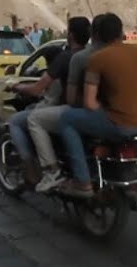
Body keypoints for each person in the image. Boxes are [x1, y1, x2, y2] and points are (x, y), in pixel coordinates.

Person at [56, 13, 137, 198]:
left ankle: (82, 182)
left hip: (122, 125)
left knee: (67, 119)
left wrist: (104, 113)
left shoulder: (96, 59)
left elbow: (89, 103)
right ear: (121, 32)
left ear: (95, 35)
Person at [8, 17, 88, 192]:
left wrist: (19, 87)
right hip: (91, 111)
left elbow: (37, 89)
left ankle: (45, 170)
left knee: (21, 120)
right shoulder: (92, 55)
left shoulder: (66, 58)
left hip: (70, 111)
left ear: (71, 35)